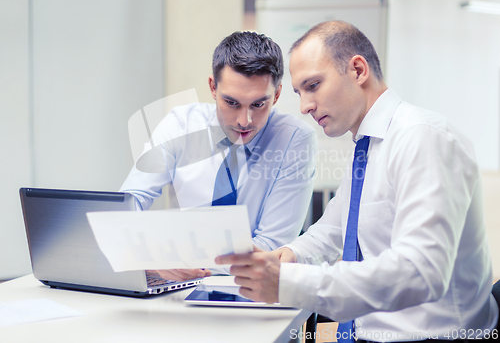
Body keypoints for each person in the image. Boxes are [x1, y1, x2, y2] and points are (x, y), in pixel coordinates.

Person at [216, 21, 499, 342]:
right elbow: (333, 230)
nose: (304, 106)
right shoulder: (366, 147)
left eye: (313, 86)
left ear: (358, 70)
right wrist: (286, 257)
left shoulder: (423, 138)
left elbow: (422, 272)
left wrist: (289, 282)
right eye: (299, 92)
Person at [121, 31, 317, 282]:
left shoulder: (295, 140)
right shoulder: (180, 125)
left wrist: (177, 259)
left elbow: (270, 247)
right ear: (213, 87)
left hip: (253, 291)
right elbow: (129, 202)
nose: (244, 121)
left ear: (276, 95)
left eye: (258, 105)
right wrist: (150, 259)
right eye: (231, 102)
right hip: (181, 289)